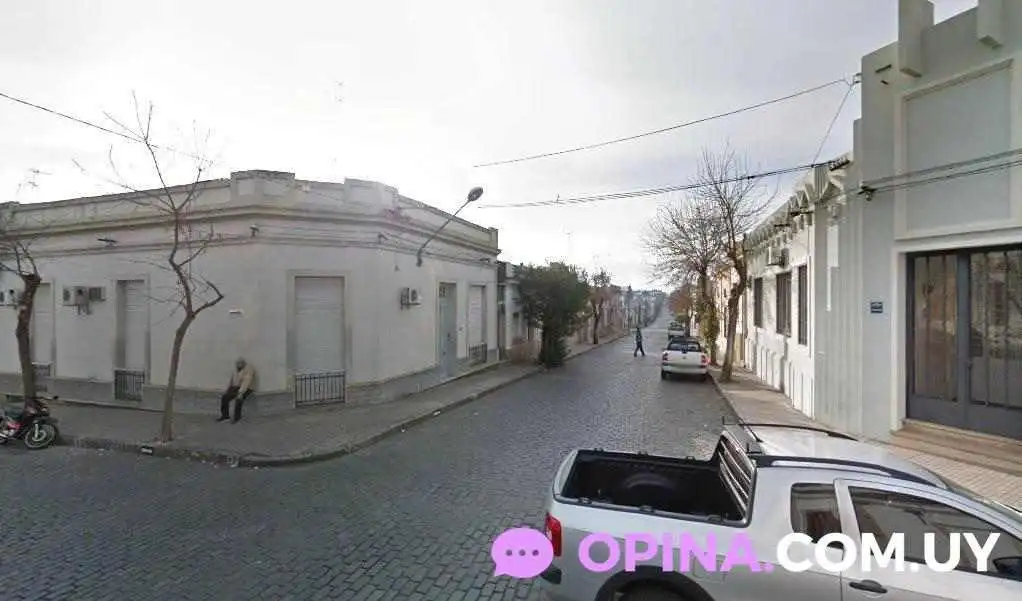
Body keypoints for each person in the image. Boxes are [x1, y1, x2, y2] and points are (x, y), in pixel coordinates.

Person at [219, 357, 255, 423]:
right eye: (237, 365)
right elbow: (232, 380)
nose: (237, 366)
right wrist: (228, 389)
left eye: (239, 365)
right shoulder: (236, 369)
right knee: (225, 397)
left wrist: (240, 393)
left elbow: (246, 382)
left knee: (238, 399)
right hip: (237, 387)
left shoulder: (249, 369)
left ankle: (237, 418)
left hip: (247, 388)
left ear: (243, 364)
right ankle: (225, 416)